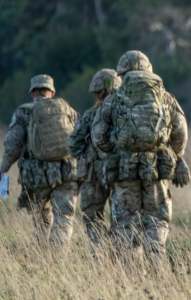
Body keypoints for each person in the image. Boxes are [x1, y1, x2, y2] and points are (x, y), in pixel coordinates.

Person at [91, 50, 190, 262]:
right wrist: (172, 154)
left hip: (125, 171)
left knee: (127, 226)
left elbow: (98, 135)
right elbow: (181, 132)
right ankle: (158, 275)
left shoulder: (114, 98)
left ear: (122, 73)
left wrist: (116, 151)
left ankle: (131, 281)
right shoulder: (165, 96)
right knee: (156, 222)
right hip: (157, 172)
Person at [0, 74, 79, 250]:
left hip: (37, 176)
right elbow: (80, 139)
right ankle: (57, 261)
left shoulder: (23, 112)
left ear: (32, 92)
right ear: (52, 92)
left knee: (41, 219)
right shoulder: (67, 109)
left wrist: (3, 168)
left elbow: (13, 145)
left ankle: (42, 258)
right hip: (67, 173)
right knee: (64, 218)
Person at [67, 69, 121, 250]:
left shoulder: (90, 114)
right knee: (121, 220)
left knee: (93, 220)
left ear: (100, 92)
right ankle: (119, 259)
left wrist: (88, 154)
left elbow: (72, 146)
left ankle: (99, 261)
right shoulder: (124, 113)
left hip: (93, 174)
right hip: (120, 172)